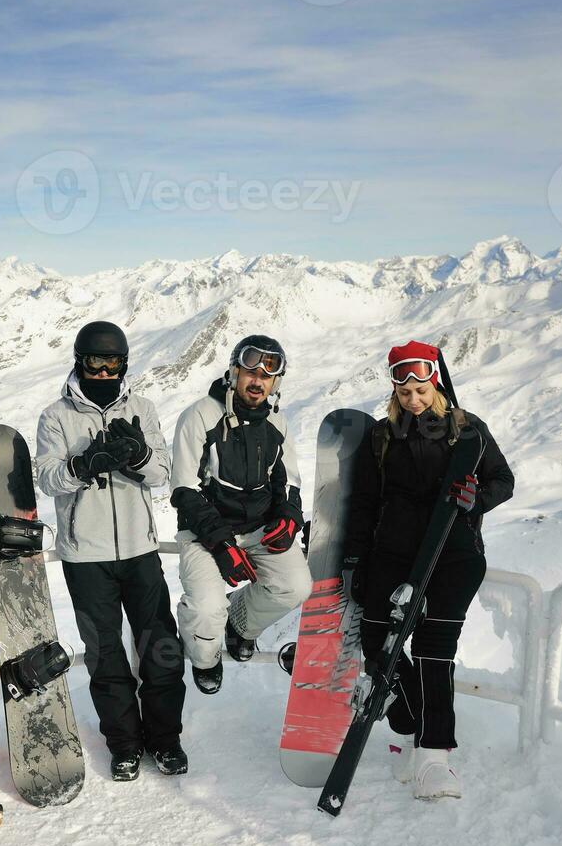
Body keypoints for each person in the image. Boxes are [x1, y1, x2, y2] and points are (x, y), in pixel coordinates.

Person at [343, 340, 514, 800]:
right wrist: (357, 559)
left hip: (453, 553)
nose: (413, 400)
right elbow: (363, 503)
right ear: (394, 391)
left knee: (433, 651)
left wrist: (477, 499)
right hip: (393, 553)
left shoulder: (466, 430)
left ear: (434, 382)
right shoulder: (381, 437)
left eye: (420, 389)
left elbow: (504, 480)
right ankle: (406, 727)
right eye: (404, 392)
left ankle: (435, 757)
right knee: (378, 645)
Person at [36, 321, 188, 782]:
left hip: (141, 552)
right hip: (86, 558)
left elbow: (162, 472)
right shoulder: (56, 416)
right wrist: (85, 464)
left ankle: (165, 740)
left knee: (160, 648)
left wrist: (138, 456)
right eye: (94, 362)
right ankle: (124, 746)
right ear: (79, 362)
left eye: (113, 362)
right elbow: (47, 478)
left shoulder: (143, 407)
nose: (103, 371)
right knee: (104, 655)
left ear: (125, 364)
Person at [170, 335, 313, 695]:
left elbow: (289, 481)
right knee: (206, 608)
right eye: (250, 369)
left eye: (268, 374)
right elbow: (184, 490)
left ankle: (241, 626)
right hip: (204, 533)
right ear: (233, 371)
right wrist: (220, 545)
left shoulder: (276, 424)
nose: (258, 380)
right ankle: (205, 657)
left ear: (275, 382)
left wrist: (289, 518)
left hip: (256, 528)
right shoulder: (200, 416)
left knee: (295, 587)